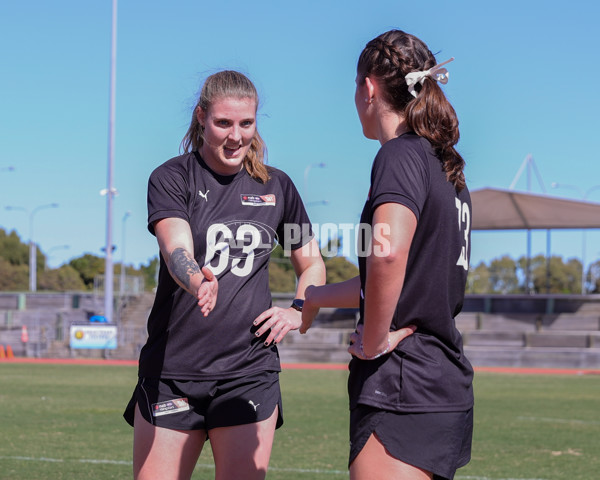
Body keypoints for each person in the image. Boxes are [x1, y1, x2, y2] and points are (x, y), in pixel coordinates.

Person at [123, 70, 326, 480]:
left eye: (246, 124)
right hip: (173, 372)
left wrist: (299, 309)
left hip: (249, 372)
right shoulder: (172, 178)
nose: (235, 136)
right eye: (223, 123)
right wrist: (198, 280)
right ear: (201, 117)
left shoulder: (277, 187)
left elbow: (312, 263)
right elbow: (175, 246)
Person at [301, 30, 474, 480]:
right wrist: (315, 296)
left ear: (369, 87)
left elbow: (389, 255)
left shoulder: (400, 156)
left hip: (401, 383)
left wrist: (375, 339)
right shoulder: (448, 168)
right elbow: (399, 278)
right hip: (443, 382)